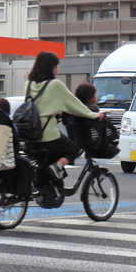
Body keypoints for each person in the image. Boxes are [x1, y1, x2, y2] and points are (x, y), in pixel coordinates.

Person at [25, 52, 103, 180]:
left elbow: (38, 107)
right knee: (73, 149)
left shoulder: (28, 84)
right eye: (56, 66)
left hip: (30, 136)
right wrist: (93, 115)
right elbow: (74, 104)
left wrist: (55, 113)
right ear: (51, 67)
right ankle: (57, 167)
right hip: (47, 136)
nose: (58, 69)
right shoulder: (55, 84)